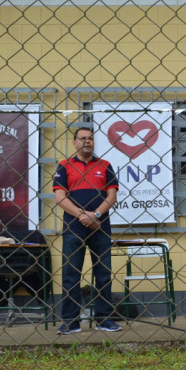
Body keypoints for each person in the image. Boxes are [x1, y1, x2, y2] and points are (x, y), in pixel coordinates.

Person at [53, 127, 121, 334]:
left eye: (90, 138)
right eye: (82, 139)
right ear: (74, 143)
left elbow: (112, 196)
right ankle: (71, 322)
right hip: (74, 227)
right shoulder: (64, 166)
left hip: (101, 227)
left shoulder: (105, 165)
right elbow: (60, 198)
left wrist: (96, 215)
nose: (87, 142)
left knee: (103, 274)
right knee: (71, 274)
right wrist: (83, 215)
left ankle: (104, 319)